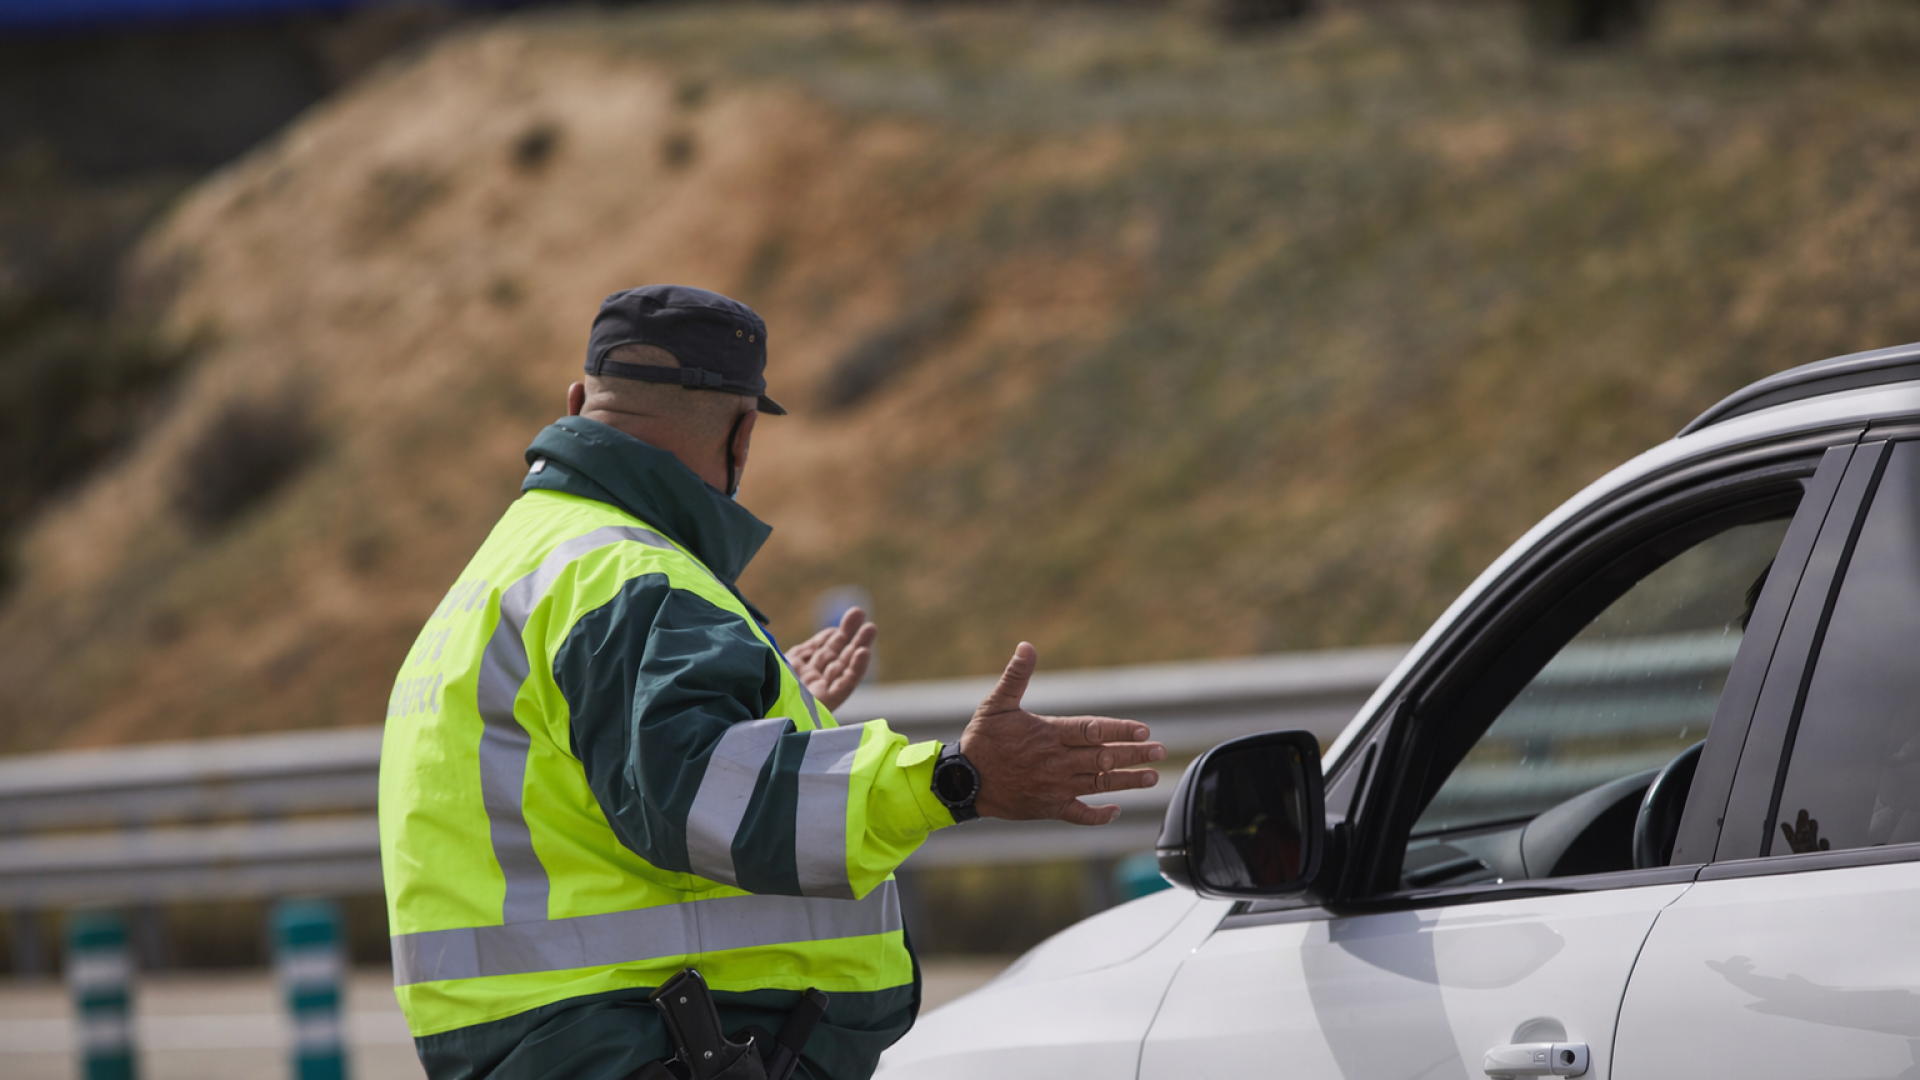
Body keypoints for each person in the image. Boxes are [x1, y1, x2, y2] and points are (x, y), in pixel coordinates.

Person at [377, 284, 1167, 1080]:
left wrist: (774, 703)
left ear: (578, 402)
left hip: (559, 1047)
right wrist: (956, 780)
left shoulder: (503, 578)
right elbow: (695, 797)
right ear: (743, 432)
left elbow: (590, 782)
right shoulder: (635, 580)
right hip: (646, 1045)